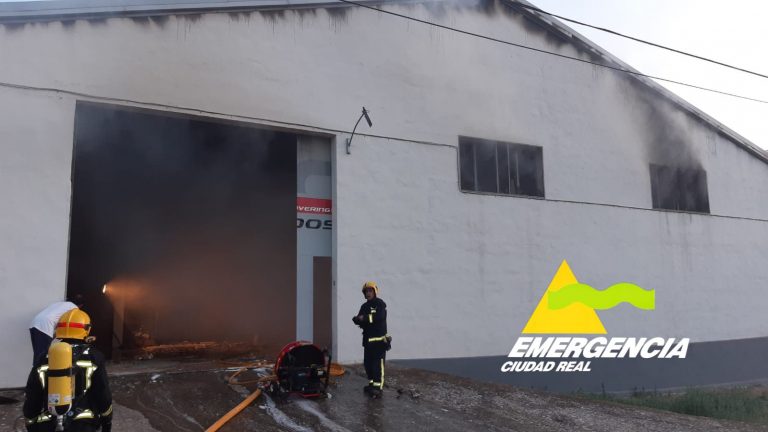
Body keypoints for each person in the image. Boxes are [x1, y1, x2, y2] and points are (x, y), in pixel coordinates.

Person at [23, 308, 113, 432]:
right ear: (86, 330)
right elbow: (103, 394)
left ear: (58, 329)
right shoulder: (94, 357)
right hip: (83, 424)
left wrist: (30, 421)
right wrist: (107, 421)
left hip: (48, 424)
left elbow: (33, 393)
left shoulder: (45, 356)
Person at [352, 281, 390, 398]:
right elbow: (360, 318)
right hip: (368, 341)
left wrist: (365, 318)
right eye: (366, 291)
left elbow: (379, 317)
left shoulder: (380, 304)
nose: (368, 293)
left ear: (374, 291)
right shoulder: (364, 306)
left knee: (377, 365)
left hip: (378, 341)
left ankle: (378, 388)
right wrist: (357, 319)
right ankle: (372, 384)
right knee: (368, 364)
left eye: (370, 291)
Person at [29, 296, 83, 366]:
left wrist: (53, 337)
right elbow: (66, 323)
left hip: (35, 323)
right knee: (42, 356)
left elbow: (57, 321)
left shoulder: (59, 304)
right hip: (45, 326)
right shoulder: (74, 308)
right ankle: (37, 374)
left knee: (38, 354)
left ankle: (36, 372)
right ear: (81, 305)